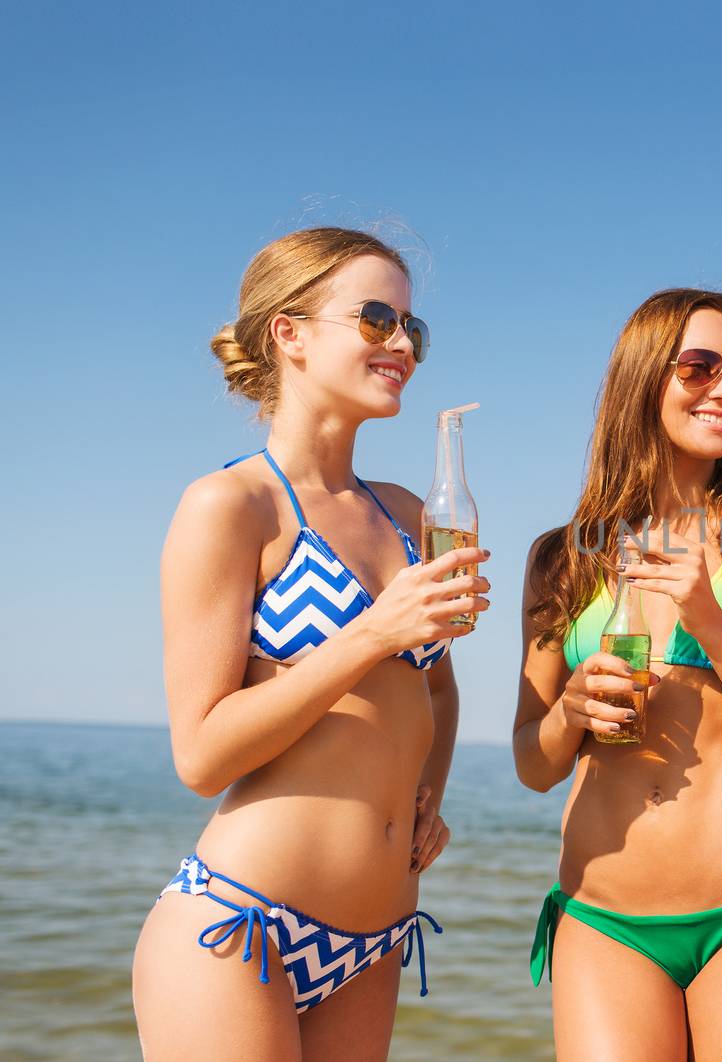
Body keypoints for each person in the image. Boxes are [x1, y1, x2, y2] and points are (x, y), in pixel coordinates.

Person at [133, 227, 488, 1060]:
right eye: (374, 319)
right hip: (240, 928)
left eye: (412, 329)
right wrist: (371, 633)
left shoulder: (410, 514)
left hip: (374, 942)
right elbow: (202, 754)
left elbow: (435, 684)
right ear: (288, 333)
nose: (401, 344)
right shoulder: (233, 506)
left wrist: (426, 797)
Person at [514, 289, 722, 1060]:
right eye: (699, 366)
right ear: (642, 378)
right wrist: (567, 711)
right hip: (603, 914)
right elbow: (533, 762)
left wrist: (713, 624)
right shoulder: (560, 557)